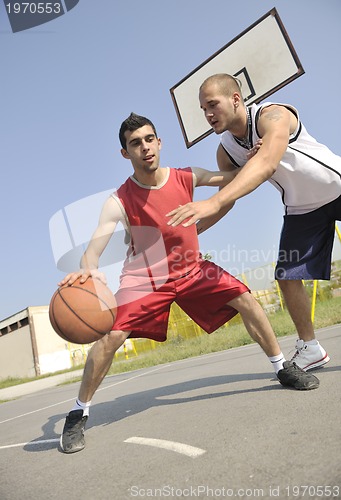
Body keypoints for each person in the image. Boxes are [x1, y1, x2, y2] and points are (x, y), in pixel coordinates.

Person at [59, 112, 319, 454]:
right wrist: (90, 269)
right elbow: (93, 249)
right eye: (135, 143)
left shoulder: (186, 176)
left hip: (191, 268)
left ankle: (282, 367)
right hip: (145, 279)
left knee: (246, 298)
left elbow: (233, 177)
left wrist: (255, 157)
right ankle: (78, 412)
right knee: (112, 336)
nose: (145, 148)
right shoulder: (118, 200)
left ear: (159, 142)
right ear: (126, 154)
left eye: (149, 139)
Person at [167, 73, 341, 371]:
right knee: (287, 276)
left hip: (335, 186)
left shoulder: (273, 115)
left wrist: (212, 201)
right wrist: (190, 233)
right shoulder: (226, 149)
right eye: (203, 109)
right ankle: (310, 347)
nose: (208, 114)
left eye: (212, 104)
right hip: (301, 207)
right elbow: (228, 197)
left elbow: (266, 163)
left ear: (236, 99)